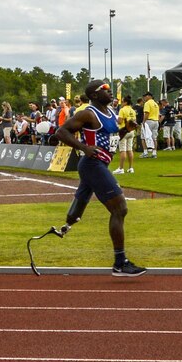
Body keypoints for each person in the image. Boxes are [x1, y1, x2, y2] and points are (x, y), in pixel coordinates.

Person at [51, 81, 145, 276]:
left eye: (110, 89)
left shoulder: (111, 114)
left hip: (99, 164)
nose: (110, 93)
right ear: (94, 95)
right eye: (105, 90)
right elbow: (61, 132)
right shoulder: (88, 113)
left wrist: (126, 130)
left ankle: (65, 227)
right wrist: (84, 148)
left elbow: (109, 140)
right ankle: (120, 262)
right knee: (120, 208)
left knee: (77, 210)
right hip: (92, 165)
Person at [113, 95, 137, 174]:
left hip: (123, 131)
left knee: (122, 150)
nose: (121, 103)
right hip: (131, 131)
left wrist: (115, 120)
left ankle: (121, 168)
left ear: (125, 102)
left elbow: (119, 121)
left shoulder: (122, 110)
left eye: (122, 101)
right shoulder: (133, 110)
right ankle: (130, 168)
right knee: (129, 149)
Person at [139, 92, 159, 158]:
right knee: (154, 138)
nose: (144, 98)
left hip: (149, 121)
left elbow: (147, 113)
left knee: (143, 137)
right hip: (156, 121)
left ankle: (145, 152)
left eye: (145, 96)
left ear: (148, 96)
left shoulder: (147, 103)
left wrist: (144, 122)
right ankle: (154, 153)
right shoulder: (156, 104)